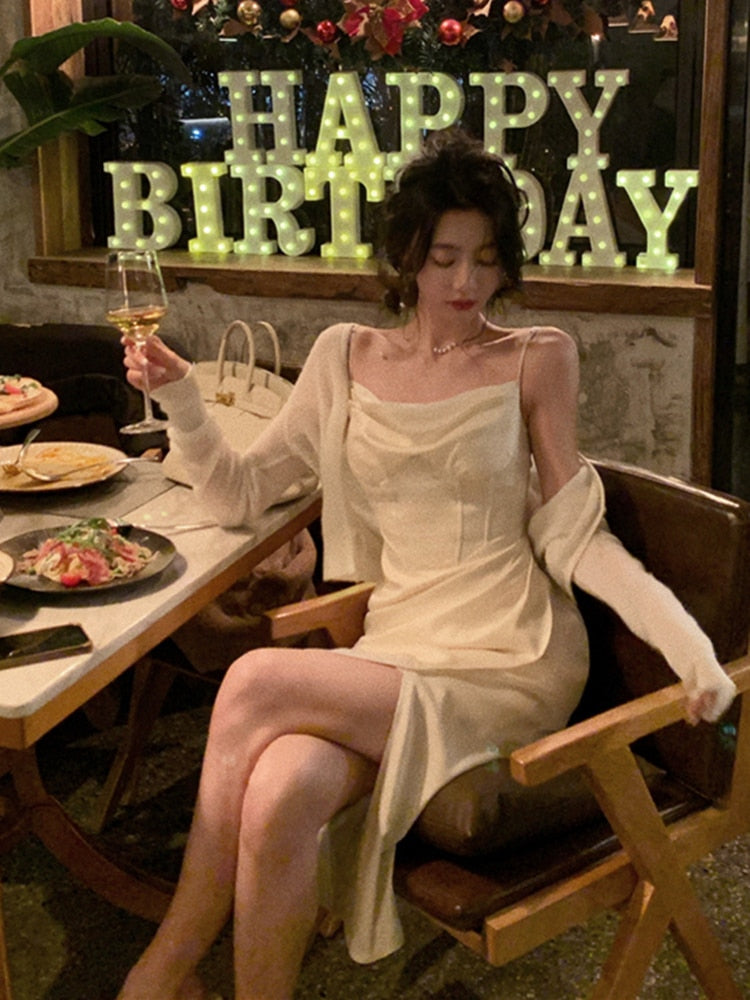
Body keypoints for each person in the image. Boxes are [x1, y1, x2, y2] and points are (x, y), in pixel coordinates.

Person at [116, 129, 736, 1000]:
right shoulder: (343, 356)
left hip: (511, 654)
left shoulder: (537, 357)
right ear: (407, 256)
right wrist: (181, 394)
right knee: (282, 788)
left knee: (254, 680)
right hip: (401, 644)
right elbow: (239, 493)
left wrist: (689, 646)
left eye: (484, 259)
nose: (464, 282)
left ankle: (160, 971)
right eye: (444, 257)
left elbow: (577, 537)